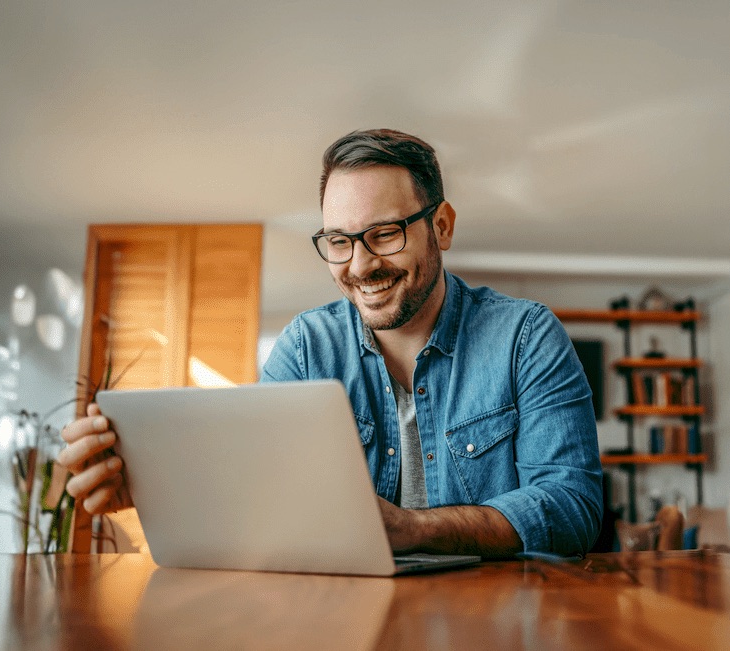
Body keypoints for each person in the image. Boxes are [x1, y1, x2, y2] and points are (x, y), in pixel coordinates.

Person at [60, 128, 603, 558]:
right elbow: (260, 493)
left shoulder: (526, 337)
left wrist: (412, 529)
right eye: (339, 241)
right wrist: (156, 491)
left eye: (385, 233)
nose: (360, 265)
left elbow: (572, 507)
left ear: (441, 226)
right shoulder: (304, 349)